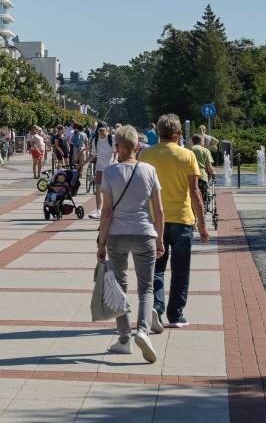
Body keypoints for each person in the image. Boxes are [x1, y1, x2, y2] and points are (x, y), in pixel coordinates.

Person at [96, 125, 165, 363]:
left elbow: (106, 212)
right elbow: (159, 209)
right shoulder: (149, 170)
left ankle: (124, 339)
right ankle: (143, 331)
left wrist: (101, 242)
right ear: (138, 146)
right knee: (146, 288)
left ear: (117, 147)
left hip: (117, 235)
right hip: (145, 234)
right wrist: (161, 238)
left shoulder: (110, 172)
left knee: (119, 287)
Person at [141, 113, 209, 331]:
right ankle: (176, 315)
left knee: (157, 269)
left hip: (154, 221)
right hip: (182, 219)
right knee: (181, 271)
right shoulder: (187, 156)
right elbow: (195, 192)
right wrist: (203, 225)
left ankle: (157, 308)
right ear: (178, 134)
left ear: (158, 133)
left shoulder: (146, 155)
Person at [88, 124, 116, 219]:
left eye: (102, 130)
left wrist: (113, 162)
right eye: (99, 130)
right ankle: (98, 210)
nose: (101, 132)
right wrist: (82, 164)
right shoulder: (95, 139)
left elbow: (116, 152)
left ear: (107, 129)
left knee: (110, 190)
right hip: (99, 168)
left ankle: (111, 210)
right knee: (98, 189)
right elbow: (93, 154)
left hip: (111, 169)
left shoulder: (112, 138)